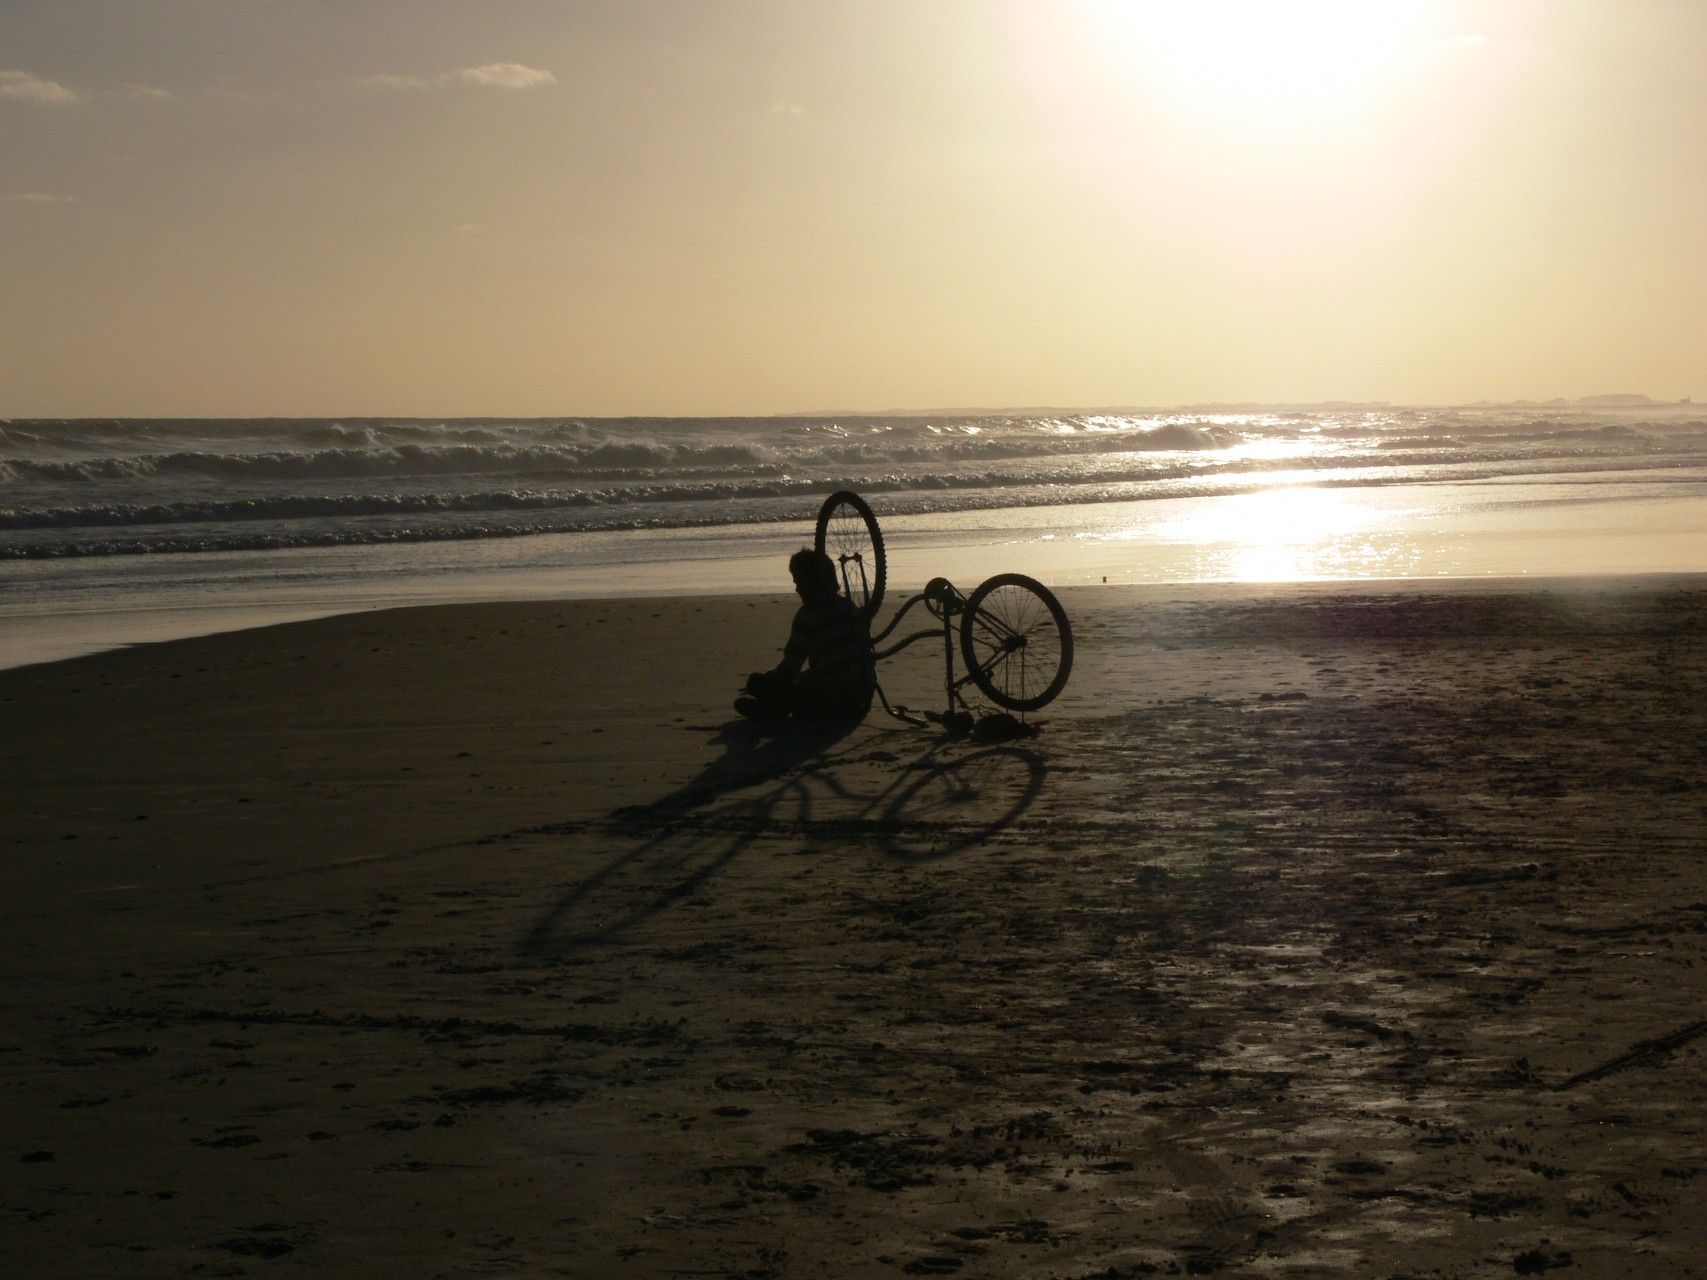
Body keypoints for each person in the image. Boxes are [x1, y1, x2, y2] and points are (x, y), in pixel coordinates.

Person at [738, 548, 873, 722]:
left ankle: (770, 709)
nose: (797, 589)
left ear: (811, 583)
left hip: (831, 700)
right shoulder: (848, 605)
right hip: (863, 697)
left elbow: (790, 668)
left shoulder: (808, 616)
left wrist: (768, 680)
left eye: (799, 582)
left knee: (758, 683)